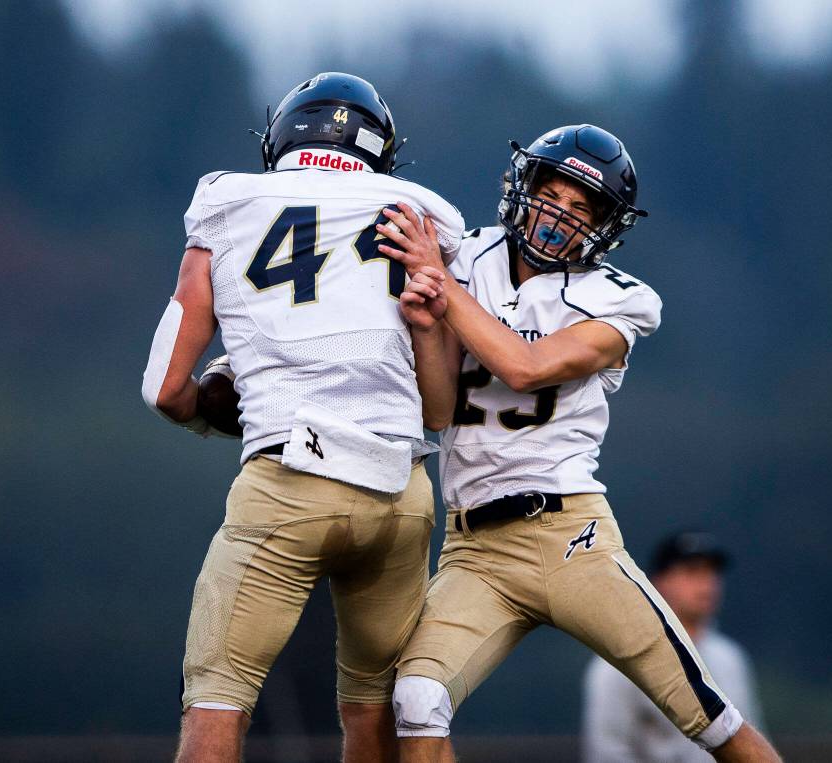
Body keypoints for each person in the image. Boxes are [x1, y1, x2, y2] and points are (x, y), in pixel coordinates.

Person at [375, 124, 781, 762]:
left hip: (570, 536)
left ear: (605, 226)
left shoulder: (617, 300)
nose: (558, 215)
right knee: (417, 699)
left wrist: (443, 289)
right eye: (552, 194)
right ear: (523, 187)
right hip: (475, 546)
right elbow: (438, 410)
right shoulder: (464, 259)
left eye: (579, 208)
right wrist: (428, 327)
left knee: (704, 711)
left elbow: (525, 368)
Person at [140, 72, 464, 763]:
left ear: (283, 136)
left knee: (217, 696)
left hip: (288, 481)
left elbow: (164, 388)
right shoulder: (421, 216)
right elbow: (441, 408)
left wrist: (215, 409)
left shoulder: (226, 204)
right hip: (399, 491)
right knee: (372, 712)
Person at [582, 531, 766, 762]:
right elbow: (608, 753)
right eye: (692, 571)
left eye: (712, 572)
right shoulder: (620, 663)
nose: (706, 583)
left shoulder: (730, 658)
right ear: (660, 582)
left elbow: (752, 740)